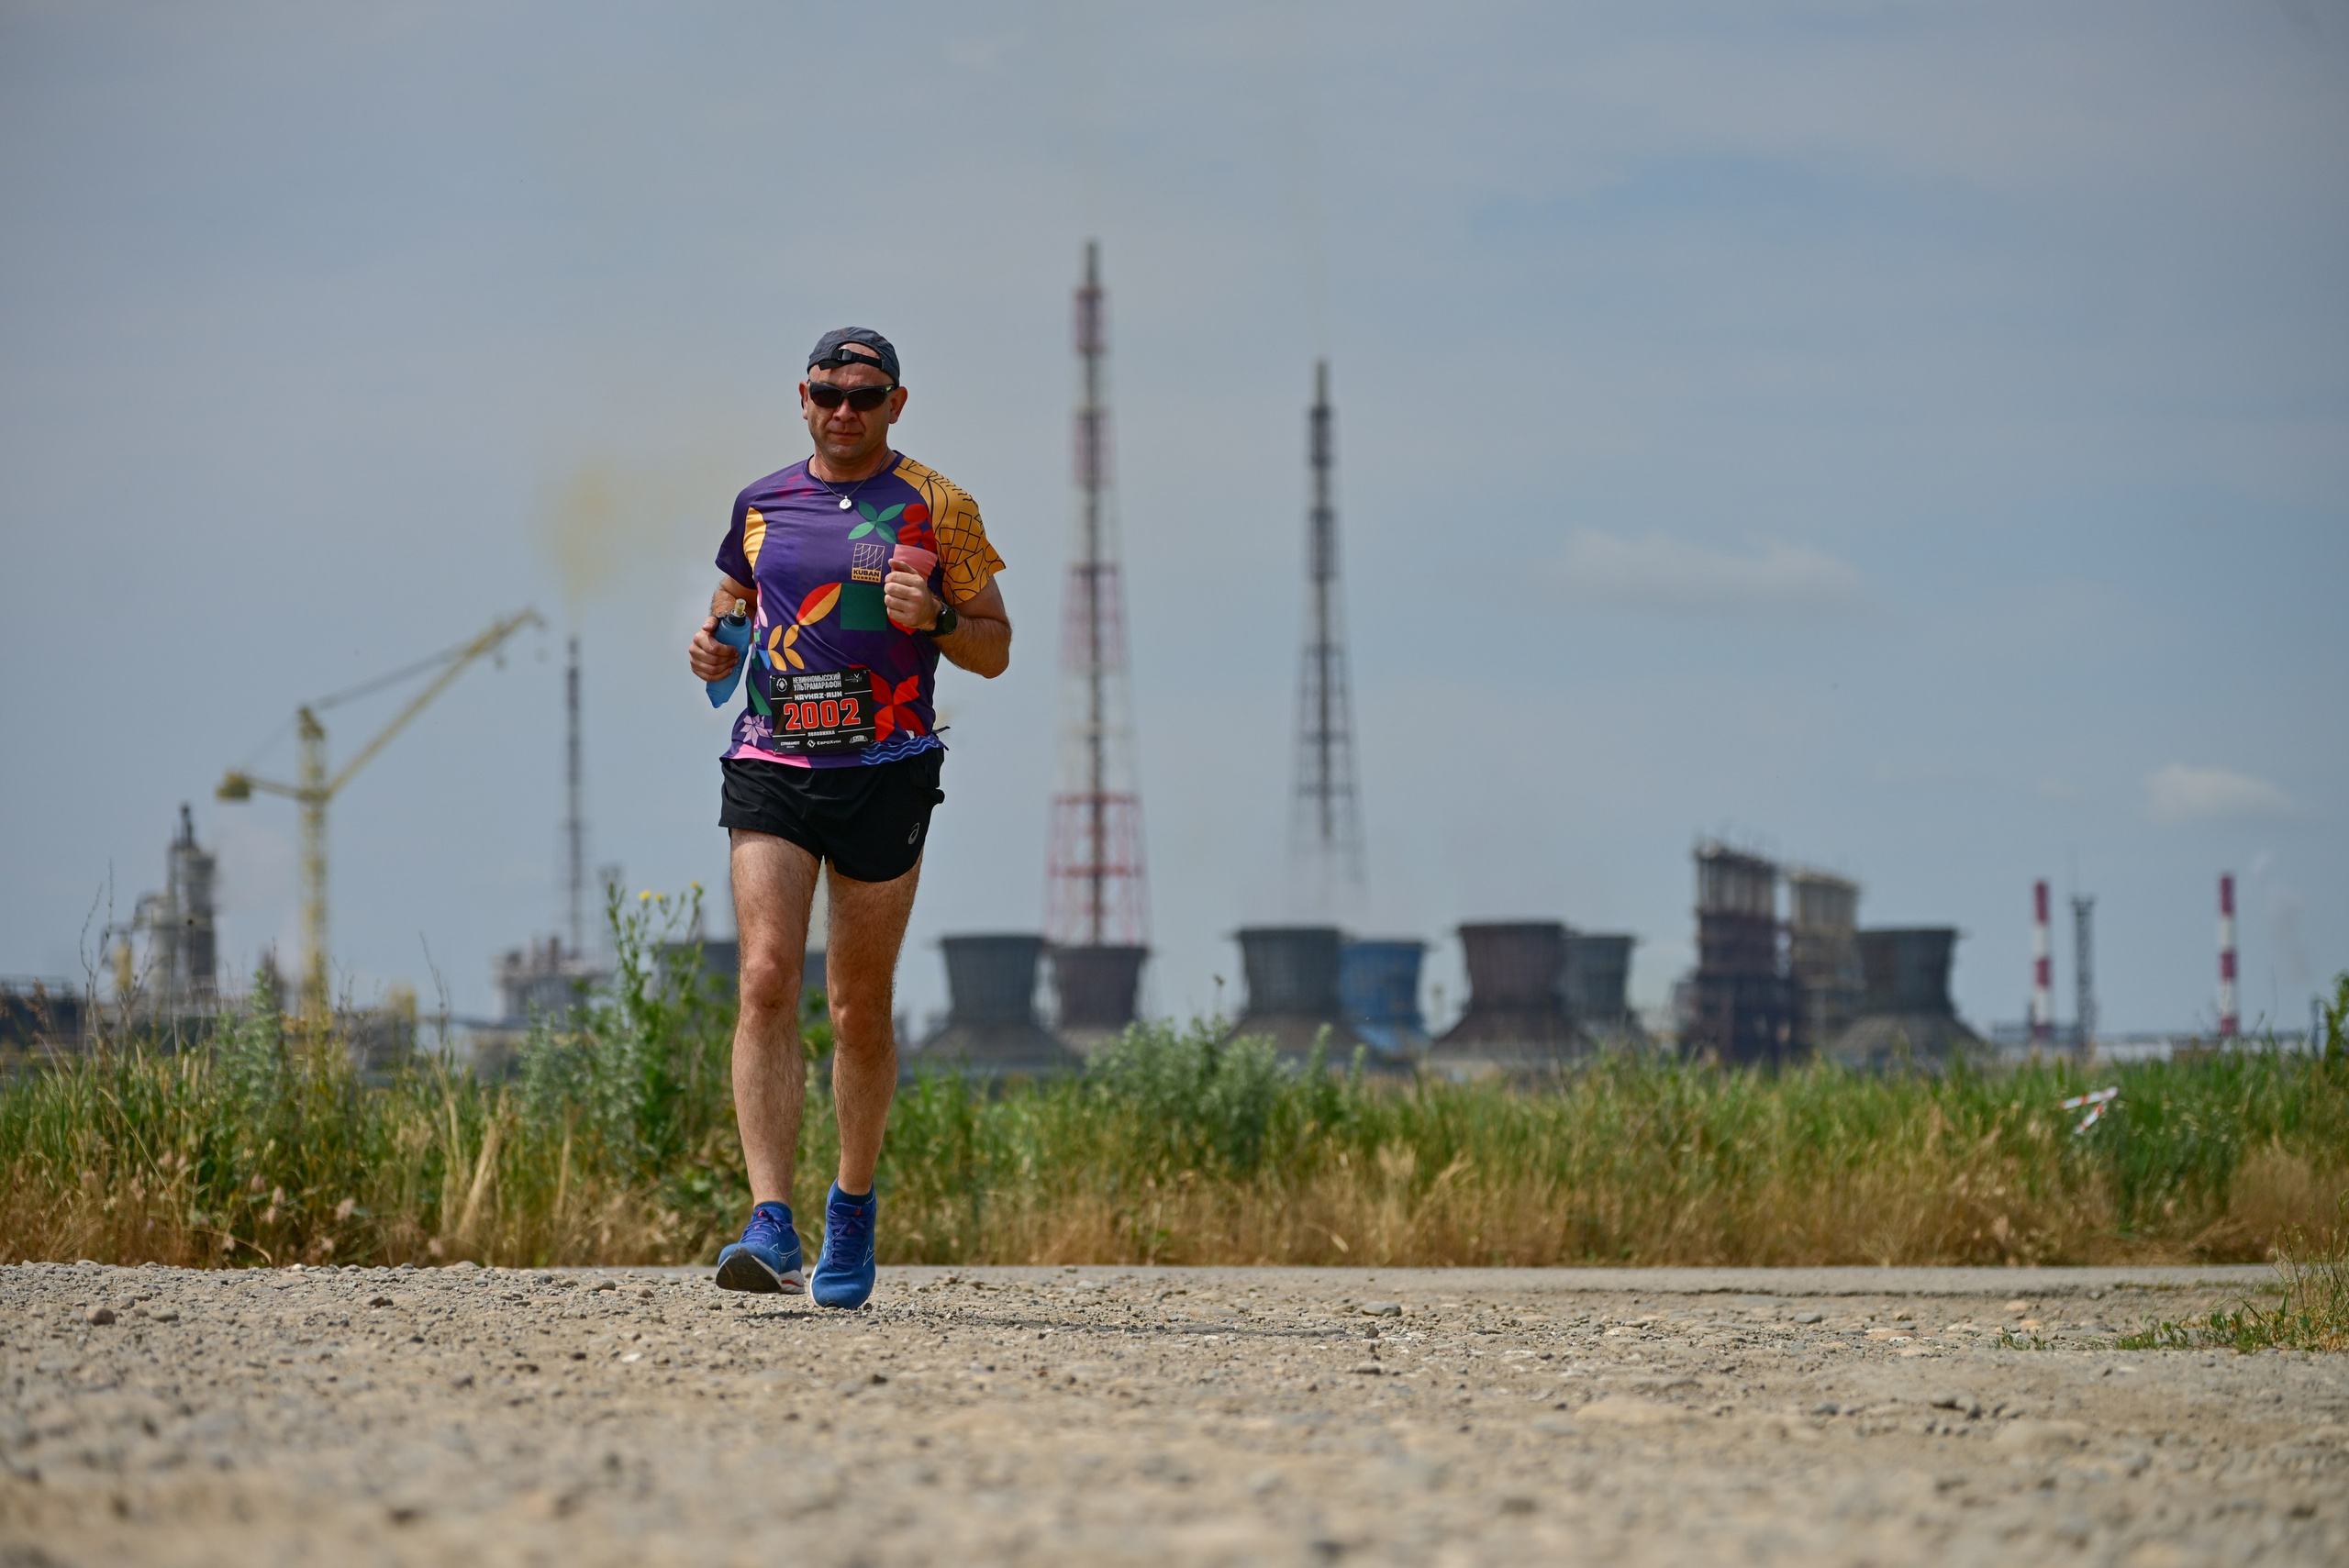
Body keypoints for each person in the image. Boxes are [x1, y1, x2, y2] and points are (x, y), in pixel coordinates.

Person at [685, 327, 1011, 1306]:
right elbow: (732, 619)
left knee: (858, 1009)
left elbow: (994, 647)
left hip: (886, 766)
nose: (843, 411)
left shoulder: (939, 505)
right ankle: (770, 1219)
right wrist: (710, 655)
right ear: (802, 395)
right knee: (766, 974)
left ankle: (853, 1207)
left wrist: (941, 622)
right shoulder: (759, 503)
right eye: (827, 392)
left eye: (864, 396)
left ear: (895, 404)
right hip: (772, 758)